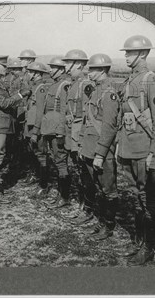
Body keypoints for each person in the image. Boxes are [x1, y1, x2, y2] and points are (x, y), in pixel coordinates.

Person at [107, 35, 155, 265]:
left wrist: (154, 151)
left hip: (143, 149)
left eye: (129, 53)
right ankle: (140, 242)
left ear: (142, 54)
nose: (126, 56)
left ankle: (148, 248)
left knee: (147, 197)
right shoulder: (131, 79)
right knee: (137, 198)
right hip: (129, 149)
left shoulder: (152, 80)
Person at [80, 53, 120, 240]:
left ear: (103, 70)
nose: (89, 72)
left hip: (102, 151)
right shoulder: (95, 91)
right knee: (98, 187)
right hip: (90, 147)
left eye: (93, 69)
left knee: (108, 189)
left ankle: (108, 225)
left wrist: (100, 153)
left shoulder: (108, 93)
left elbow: (109, 127)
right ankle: (101, 221)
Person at [0, 55, 31, 198]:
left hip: (0, 120)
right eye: (4, 66)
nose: (6, 69)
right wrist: (20, 96)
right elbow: (3, 103)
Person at [30, 57, 72, 209]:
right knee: (57, 160)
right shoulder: (54, 85)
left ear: (61, 70)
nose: (50, 70)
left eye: (53, 68)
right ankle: (61, 195)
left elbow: (63, 111)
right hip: (51, 129)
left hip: (58, 131)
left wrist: (61, 133)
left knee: (61, 162)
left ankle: (64, 197)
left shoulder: (64, 85)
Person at [62, 49, 92, 220]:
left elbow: (88, 115)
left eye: (68, 63)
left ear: (79, 64)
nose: (66, 66)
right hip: (72, 133)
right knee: (79, 170)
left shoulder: (85, 85)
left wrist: (80, 140)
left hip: (80, 135)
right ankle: (83, 207)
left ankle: (88, 209)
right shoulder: (73, 84)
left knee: (84, 172)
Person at [23, 61, 51, 196]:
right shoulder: (34, 87)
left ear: (37, 73)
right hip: (30, 125)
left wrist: (35, 132)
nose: (28, 74)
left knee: (41, 155)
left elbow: (40, 112)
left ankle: (43, 185)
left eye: (30, 72)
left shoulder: (41, 88)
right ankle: (36, 178)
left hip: (37, 127)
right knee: (33, 153)